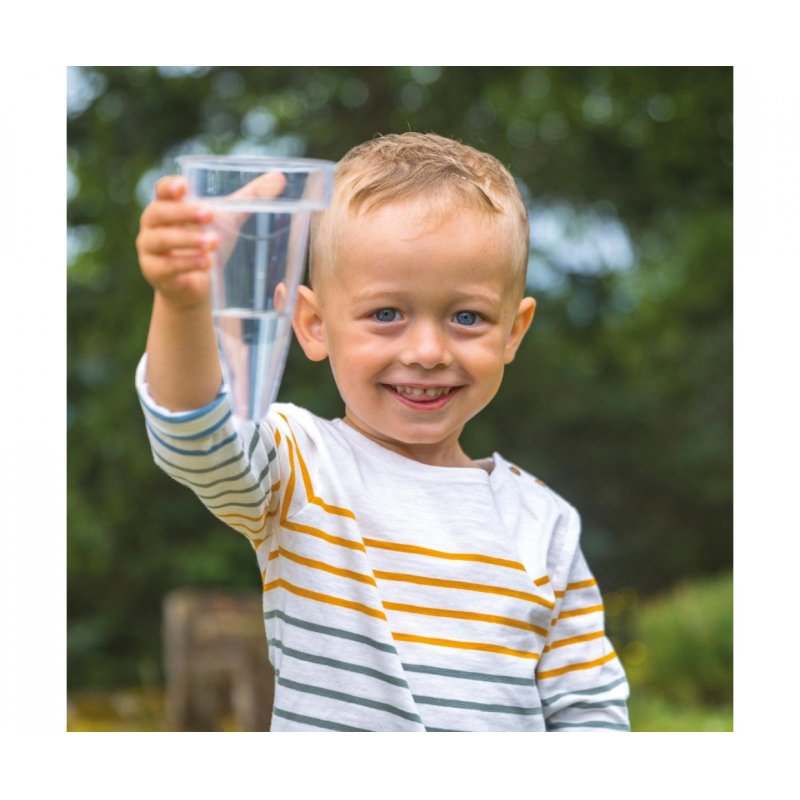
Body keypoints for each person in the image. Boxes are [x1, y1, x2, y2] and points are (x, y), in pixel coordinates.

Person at [135, 132, 630, 732]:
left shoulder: (545, 524)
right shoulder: (301, 466)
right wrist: (183, 305)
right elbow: (196, 439)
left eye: (466, 317)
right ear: (314, 325)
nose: (426, 351)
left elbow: (590, 715)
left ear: (513, 331)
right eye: (386, 314)